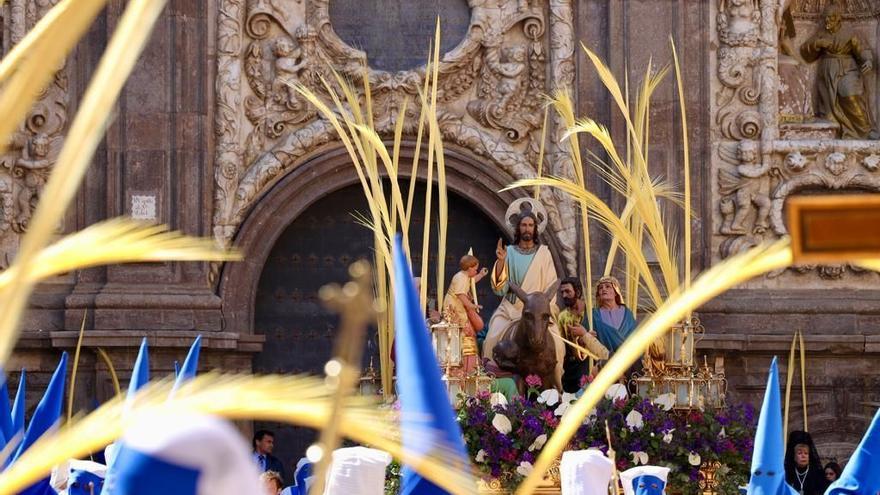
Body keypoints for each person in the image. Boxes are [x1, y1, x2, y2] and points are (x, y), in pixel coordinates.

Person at [482, 198, 564, 388]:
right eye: (523, 225)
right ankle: (489, 388)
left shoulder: (544, 254)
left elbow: (551, 286)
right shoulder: (508, 252)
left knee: (558, 345)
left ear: (535, 229)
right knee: (490, 339)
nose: (527, 229)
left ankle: (557, 387)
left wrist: (543, 310)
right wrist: (501, 262)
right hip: (511, 308)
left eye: (530, 225)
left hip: (538, 312)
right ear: (518, 229)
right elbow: (499, 289)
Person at [800, 3, 879, 139]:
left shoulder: (849, 33)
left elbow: (862, 49)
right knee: (831, 108)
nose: (827, 21)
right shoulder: (822, 33)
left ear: (838, 18)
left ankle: (866, 130)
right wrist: (817, 44)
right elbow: (805, 51)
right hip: (827, 74)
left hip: (847, 69)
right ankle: (840, 130)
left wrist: (868, 60)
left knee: (850, 95)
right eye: (825, 18)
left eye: (830, 18)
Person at [557, 277, 608, 393]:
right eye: (562, 292)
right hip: (573, 367)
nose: (564, 295)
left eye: (568, 291)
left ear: (578, 292)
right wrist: (579, 341)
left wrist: (588, 338)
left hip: (593, 363)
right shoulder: (562, 317)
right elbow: (562, 346)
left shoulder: (592, 313)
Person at [442, 254, 488, 375]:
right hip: (454, 306)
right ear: (469, 268)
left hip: (459, 306)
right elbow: (461, 295)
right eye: (475, 269)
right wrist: (471, 306)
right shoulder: (460, 277)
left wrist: (481, 275)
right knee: (462, 327)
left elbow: (472, 282)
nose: (476, 270)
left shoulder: (466, 277)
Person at [784, 430, 829, 495]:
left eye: (806, 453)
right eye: (799, 453)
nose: (803, 456)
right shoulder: (788, 473)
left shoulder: (817, 474)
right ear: (794, 456)